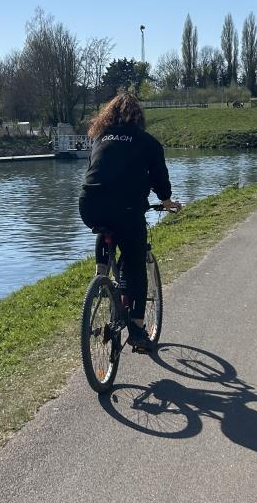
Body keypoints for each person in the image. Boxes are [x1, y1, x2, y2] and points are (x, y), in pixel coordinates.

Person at [79, 93, 181, 350]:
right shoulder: (147, 141)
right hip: (126, 209)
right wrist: (166, 200)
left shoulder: (100, 138)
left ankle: (101, 275)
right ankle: (137, 330)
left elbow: (97, 171)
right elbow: (160, 178)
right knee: (135, 264)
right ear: (138, 117)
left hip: (88, 205)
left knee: (105, 227)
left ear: (108, 115)